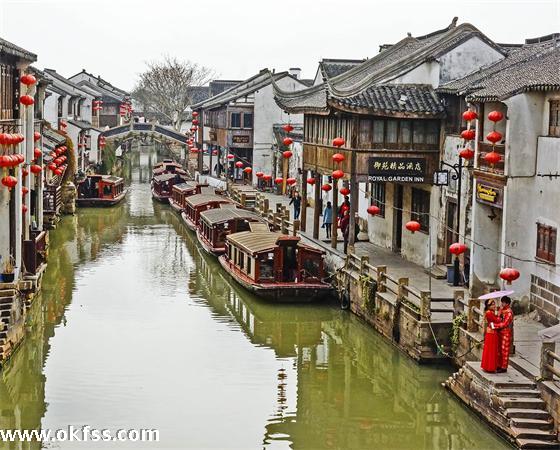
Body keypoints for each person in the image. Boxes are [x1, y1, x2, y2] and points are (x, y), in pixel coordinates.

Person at [492, 296, 514, 373]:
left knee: (504, 350)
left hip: (506, 333)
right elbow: (498, 318)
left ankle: (504, 367)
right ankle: (498, 365)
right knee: (499, 350)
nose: (502, 303)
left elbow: (505, 324)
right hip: (499, 332)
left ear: (507, 303)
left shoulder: (509, 312)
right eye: (501, 302)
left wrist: (495, 326)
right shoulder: (502, 310)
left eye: (503, 302)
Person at [481, 298, 500, 373]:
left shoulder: (490, 312)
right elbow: (497, 320)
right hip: (492, 333)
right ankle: (490, 367)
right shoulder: (489, 313)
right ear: (488, 306)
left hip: (491, 332)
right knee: (491, 350)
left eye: (494, 304)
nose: (494, 305)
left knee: (490, 350)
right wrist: (499, 315)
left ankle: (488, 366)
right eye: (492, 305)